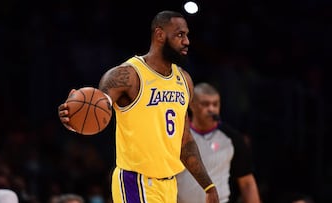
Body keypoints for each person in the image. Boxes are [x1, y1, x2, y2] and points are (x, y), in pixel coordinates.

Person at [58, 10, 219, 203]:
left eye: (186, 35)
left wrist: (208, 186)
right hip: (136, 182)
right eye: (179, 34)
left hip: (169, 185)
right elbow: (97, 107)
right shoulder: (127, 75)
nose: (186, 41)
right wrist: (73, 116)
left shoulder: (184, 80)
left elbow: (184, 140)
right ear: (159, 35)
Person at [176, 82, 260, 203]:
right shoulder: (178, 133)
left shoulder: (232, 138)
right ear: (191, 105)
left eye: (215, 104)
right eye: (205, 104)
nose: (211, 109)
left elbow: (247, 182)